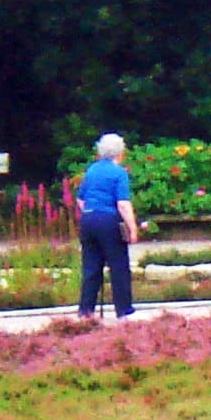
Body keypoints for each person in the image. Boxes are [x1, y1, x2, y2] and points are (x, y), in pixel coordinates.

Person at [75, 133, 137, 319]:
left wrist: (92, 211)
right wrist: (132, 228)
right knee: (118, 266)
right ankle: (124, 310)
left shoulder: (92, 170)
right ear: (120, 152)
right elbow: (123, 204)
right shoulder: (119, 173)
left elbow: (80, 199)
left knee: (91, 267)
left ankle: (86, 312)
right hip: (108, 221)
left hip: (88, 220)